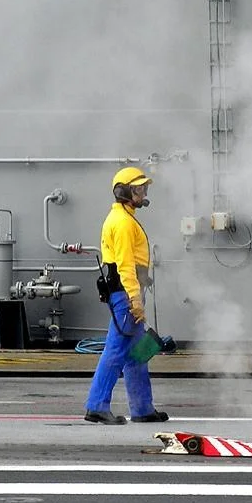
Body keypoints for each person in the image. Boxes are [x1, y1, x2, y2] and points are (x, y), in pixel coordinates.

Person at [84, 166, 169, 425]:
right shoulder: (122, 222)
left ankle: (142, 409)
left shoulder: (124, 218)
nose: (143, 193)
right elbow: (124, 265)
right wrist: (135, 299)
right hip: (125, 295)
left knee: (137, 354)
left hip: (127, 292)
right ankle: (96, 406)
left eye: (144, 188)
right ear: (124, 192)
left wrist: (142, 283)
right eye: (138, 189)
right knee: (116, 350)